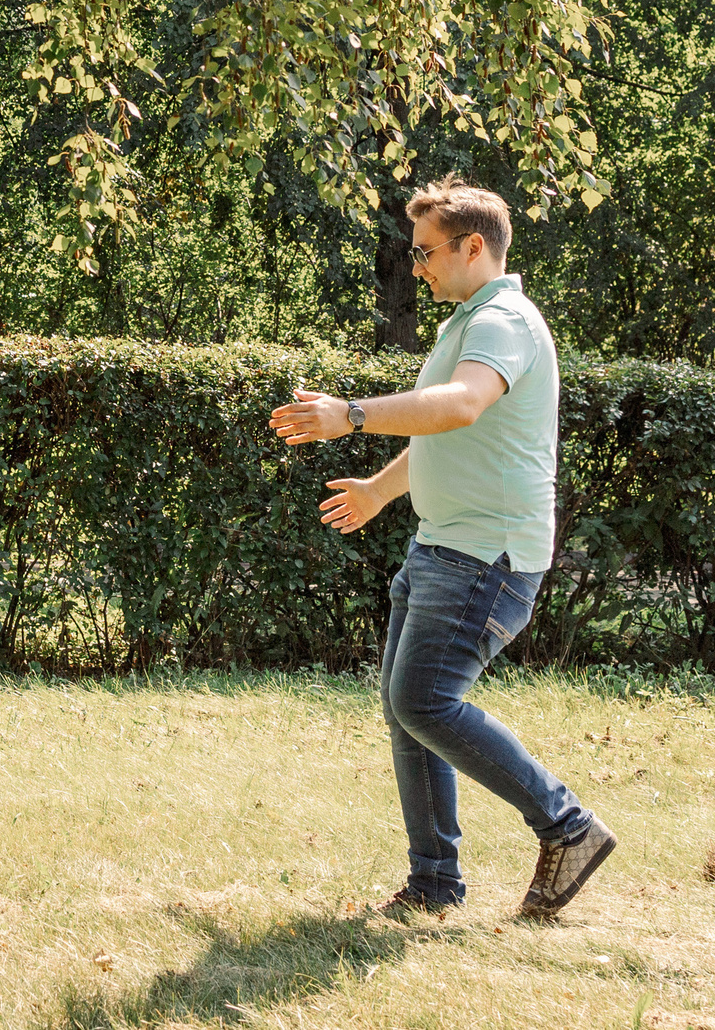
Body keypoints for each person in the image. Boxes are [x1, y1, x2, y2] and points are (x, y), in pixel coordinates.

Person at [267, 175, 615, 921]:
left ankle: (568, 825)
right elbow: (446, 429)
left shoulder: (503, 321)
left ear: (474, 246)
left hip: (486, 556)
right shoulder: (469, 320)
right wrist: (379, 490)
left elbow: (461, 404)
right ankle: (433, 882)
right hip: (444, 544)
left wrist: (351, 413)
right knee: (408, 707)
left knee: (424, 699)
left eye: (426, 251)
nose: (416, 264)